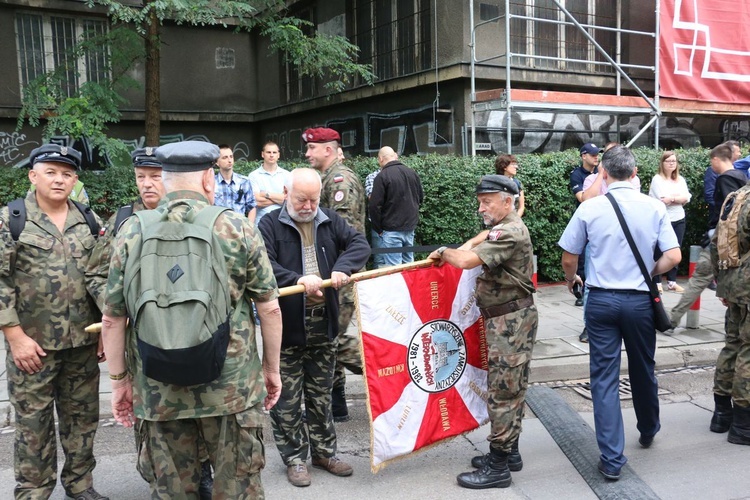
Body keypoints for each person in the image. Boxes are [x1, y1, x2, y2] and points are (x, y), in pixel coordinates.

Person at [99, 141, 283, 498]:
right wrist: (270, 370)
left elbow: (112, 319)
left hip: (158, 389)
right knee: (238, 487)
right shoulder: (235, 227)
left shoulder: (132, 230)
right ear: (209, 180)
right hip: (231, 388)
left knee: (172, 491)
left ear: (164, 181)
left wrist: (120, 382)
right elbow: (270, 307)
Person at [84, 147, 217, 498]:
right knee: (155, 426)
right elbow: (98, 275)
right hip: (146, 343)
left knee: (201, 414)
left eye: (155, 177)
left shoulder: (198, 218)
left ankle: (201, 472)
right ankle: (161, 476)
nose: (147, 184)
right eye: (140, 177)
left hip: (197, 337)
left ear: (171, 178)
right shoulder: (124, 222)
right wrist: (121, 305)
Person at [559, 145, 681, 481]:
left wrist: (572, 280)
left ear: (605, 175)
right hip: (640, 301)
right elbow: (673, 256)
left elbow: (569, 255)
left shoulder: (591, 208)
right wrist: (649, 273)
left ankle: (612, 459)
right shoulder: (654, 207)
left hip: (601, 301)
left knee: (603, 378)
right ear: (636, 174)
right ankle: (648, 428)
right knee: (643, 366)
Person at [0, 144, 107, 500]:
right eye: (51, 171)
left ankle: (80, 485)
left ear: (75, 179)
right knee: (33, 424)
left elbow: (102, 276)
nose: (59, 179)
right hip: (33, 346)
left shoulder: (89, 220)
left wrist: (108, 328)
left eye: (67, 173)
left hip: (82, 343)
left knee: (82, 419)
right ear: (33, 176)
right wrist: (14, 337)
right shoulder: (11, 219)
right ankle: (33, 490)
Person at [257, 168, 370, 487]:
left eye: (313, 199)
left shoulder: (330, 221)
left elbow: (360, 245)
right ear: (285, 192)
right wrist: (297, 280)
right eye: (301, 199)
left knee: (321, 395)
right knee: (287, 399)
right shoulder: (269, 224)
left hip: (324, 325)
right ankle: (294, 459)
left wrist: (341, 268)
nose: (308, 206)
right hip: (286, 328)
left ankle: (324, 453)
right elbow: (262, 265)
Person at [428, 174, 537, 490]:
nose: (480, 207)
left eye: (486, 201)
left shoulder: (511, 232)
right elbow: (486, 233)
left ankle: (499, 467)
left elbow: (464, 262)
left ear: (507, 200)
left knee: (504, 392)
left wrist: (444, 251)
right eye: (480, 201)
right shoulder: (506, 227)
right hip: (507, 320)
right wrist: (474, 239)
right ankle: (510, 452)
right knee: (511, 387)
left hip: (511, 323)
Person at [304, 127, 366, 422]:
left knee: (331, 339)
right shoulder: (327, 179)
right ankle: (336, 404)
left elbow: (344, 231)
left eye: (312, 148)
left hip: (341, 272)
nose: (307, 154)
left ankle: (390, 371)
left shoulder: (340, 179)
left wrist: (333, 269)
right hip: (331, 272)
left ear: (328, 149)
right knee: (332, 334)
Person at [670, 144, 748, 330]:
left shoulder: (725, 179)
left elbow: (730, 212)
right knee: (730, 283)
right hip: (732, 242)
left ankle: (671, 320)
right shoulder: (742, 177)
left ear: (716, 159)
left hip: (721, 240)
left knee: (699, 278)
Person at [711, 181, 750, 445]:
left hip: (733, 282)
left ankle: (721, 415)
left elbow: (716, 244)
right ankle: (743, 425)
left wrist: (721, 283)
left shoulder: (735, 197)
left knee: (732, 346)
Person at [369, 146, 424, 268]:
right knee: (409, 267)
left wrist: (379, 229)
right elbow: (420, 198)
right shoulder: (412, 173)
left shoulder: (382, 177)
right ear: (395, 156)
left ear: (380, 159)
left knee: (395, 270)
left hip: (391, 229)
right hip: (409, 228)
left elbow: (374, 206)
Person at [649, 151, 691, 293]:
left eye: (674, 161)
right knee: (659, 250)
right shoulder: (657, 179)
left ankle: (672, 282)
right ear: (662, 163)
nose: (672, 163)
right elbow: (663, 199)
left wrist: (672, 199)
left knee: (675, 249)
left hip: (679, 219)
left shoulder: (681, 180)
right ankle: (657, 281)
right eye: (668, 161)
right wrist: (678, 198)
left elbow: (686, 198)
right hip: (662, 220)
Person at [569, 143, 600, 307]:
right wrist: (599, 177)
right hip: (584, 221)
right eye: (593, 154)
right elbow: (583, 198)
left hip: (600, 222)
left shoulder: (603, 172)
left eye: (598, 154)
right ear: (584, 156)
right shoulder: (576, 174)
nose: (596, 157)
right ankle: (579, 292)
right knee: (580, 258)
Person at [213, 143, 257, 222]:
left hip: (240, 227)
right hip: (219, 228)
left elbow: (252, 207)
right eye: (224, 158)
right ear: (217, 162)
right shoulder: (212, 183)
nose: (229, 160)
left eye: (231, 156)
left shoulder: (244, 181)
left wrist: (249, 228)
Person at [249, 141, 291, 222]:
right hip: (261, 222)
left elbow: (289, 200)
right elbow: (256, 202)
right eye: (268, 152)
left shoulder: (287, 175)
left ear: (278, 155)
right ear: (262, 154)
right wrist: (280, 199)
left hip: (283, 221)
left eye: (274, 152)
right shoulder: (253, 176)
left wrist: (265, 194)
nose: (271, 155)